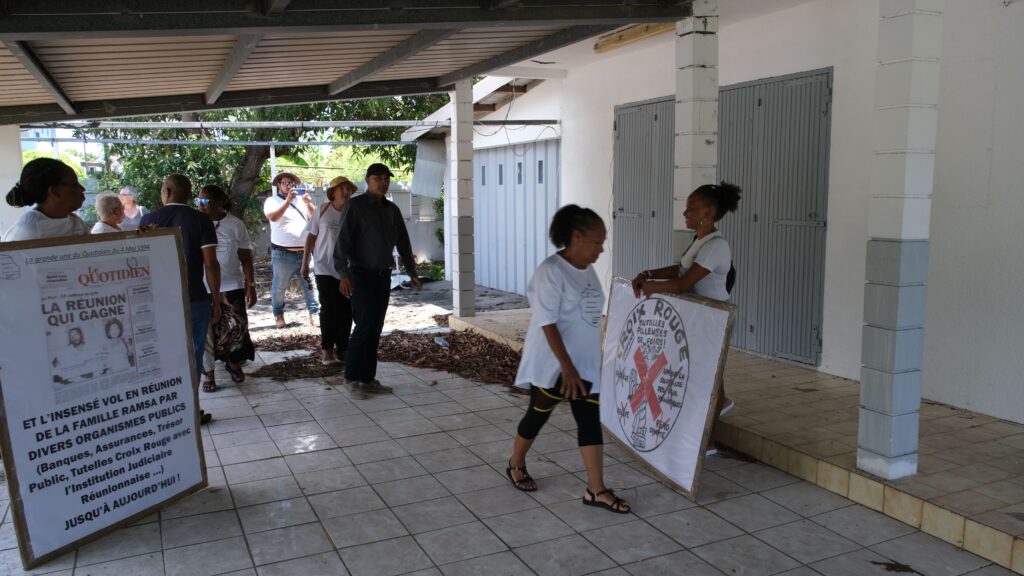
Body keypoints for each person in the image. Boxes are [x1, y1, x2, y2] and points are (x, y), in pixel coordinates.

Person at [506, 205, 630, 514]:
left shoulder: (585, 269)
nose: (601, 249)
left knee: (588, 420)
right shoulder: (551, 272)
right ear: (577, 237)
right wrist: (567, 368)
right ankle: (515, 463)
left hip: (584, 364)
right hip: (554, 366)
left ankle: (596, 489)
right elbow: (547, 323)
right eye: (597, 242)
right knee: (538, 414)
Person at [631, 181, 742, 451]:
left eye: (692, 209)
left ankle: (709, 442)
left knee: (708, 380)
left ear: (708, 213)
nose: (685, 214)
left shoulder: (717, 246)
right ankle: (719, 410)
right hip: (700, 319)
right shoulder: (699, 241)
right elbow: (680, 270)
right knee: (708, 377)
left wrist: (650, 288)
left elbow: (684, 283)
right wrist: (649, 274)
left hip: (714, 321)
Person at [333, 163, 421, 400]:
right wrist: (343, 274)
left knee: (374, 329)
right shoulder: (355, 206)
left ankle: (368, 379)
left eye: (386, 178)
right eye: (377, 178)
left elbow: (403, 243)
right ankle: (352, 378)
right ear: (367, 180)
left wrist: (412, 272)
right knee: (363, 328)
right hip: (360, 276)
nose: (383, 182)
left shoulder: (391, 210)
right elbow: (342, 242)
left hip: (383, 277)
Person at [141, 174, 220, 423]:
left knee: (164, 355)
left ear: (166, 191)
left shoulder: (148, 220)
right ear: (189, 193)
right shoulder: (201, 220)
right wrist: (215, 300)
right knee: (194, 355)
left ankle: (168, 410)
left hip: (159, 302)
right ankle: (191, 408)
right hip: (195, 298)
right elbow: (211, 264)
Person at [196, 184, 256, 389]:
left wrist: (251, 285)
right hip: (202, 287)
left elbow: (246, 258)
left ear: (220, 202)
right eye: (198, 201)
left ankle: (232, 362)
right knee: (206, 331)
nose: (201, 205)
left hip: (232, 285)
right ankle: (208, 374)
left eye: (205, 201)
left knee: (237, 327)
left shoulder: (235, 224)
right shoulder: (196, 223)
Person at [301, 176, 357, 366]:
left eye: (349, 189)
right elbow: (311, 237)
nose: (346, 192)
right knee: (328, 309)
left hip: (346, 270)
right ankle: (327, 350)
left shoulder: (353, 212)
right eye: (342, 188)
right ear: (333, 192)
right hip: (323, 267)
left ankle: (343, 348)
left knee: (345, 310)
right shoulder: (322, 209)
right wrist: (304, 262)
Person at [264, 172, 319, 329]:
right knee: (279, 286)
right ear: (279, 185)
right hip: (283, 253)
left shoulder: (302, 201)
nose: (289, 186)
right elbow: (273, 217)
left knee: (310, 284)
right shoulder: (272, 201)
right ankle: (278, 314)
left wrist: (308, 204)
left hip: (305, 252)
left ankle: (314, 314)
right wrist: (288, 201)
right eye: (286, 183)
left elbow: (316, 219)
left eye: (292, 184)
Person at [2, 158, 87, 242]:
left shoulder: (76, 222)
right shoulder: (24, 234)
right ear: (54, 192)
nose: (83, 189)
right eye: (74, 184)